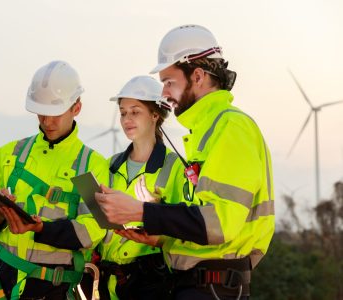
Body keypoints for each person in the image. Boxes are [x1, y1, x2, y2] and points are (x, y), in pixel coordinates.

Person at [95, 24, 275, 300]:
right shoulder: (206, 132)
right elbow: (203, 219)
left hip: (212, 287)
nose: (164, 93)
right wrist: (162, 238)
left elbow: (220, 223)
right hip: (194, 285)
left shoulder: (231, 128)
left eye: (169, 82)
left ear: (198, 76)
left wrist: (140, 212)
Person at [0, 60, 109, 300]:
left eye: (55, 114)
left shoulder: (91, 165)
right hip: (1, 283)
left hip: (54, 288)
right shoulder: (9, 155)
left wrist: (42, 229)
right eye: (41, 113)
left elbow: (93, 230)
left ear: (76, 107)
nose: (47, 122)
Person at [96, 75, 185, 300]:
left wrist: (155, 212)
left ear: (155, 115)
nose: (127, 119)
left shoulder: (175, 167)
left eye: (135, 112)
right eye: (123, 113)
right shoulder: (110, 165)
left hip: (150, 284)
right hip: (106, 282)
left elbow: (185, 230)